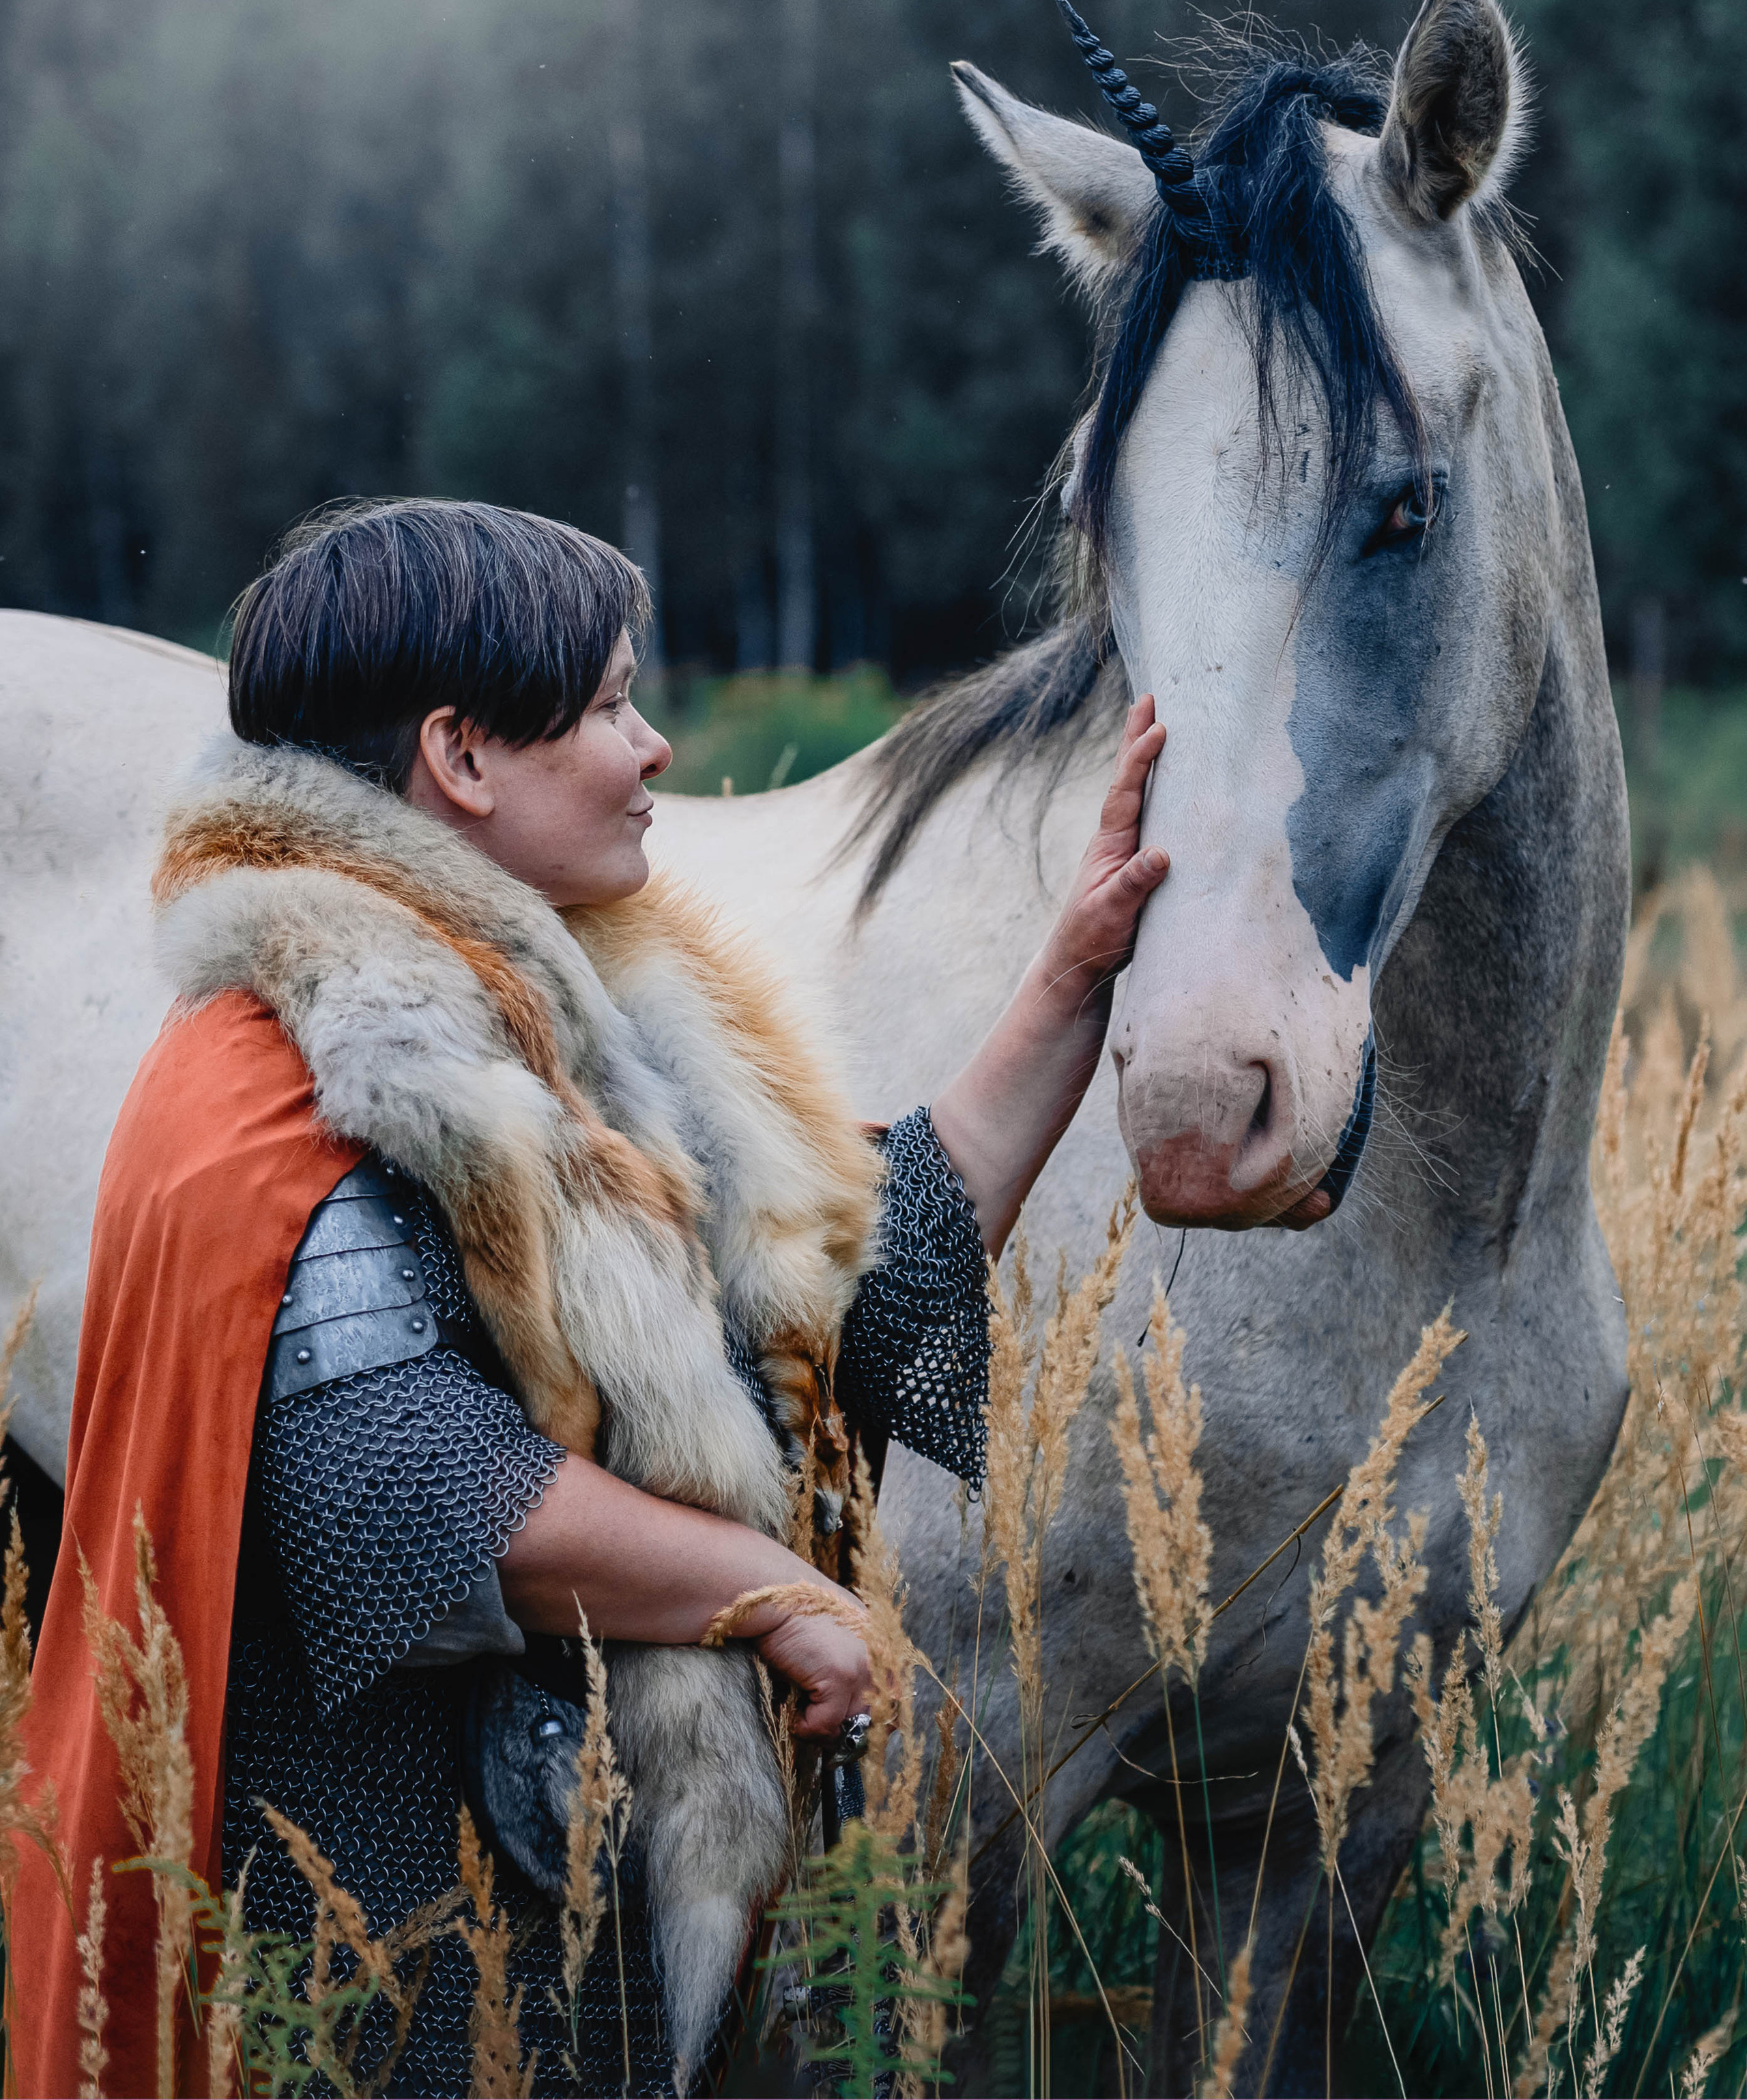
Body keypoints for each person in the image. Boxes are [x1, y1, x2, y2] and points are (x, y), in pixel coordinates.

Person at [12, 498, 1167, 2099]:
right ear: (462, 760)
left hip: (569, 1939)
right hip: (398, 1969)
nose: (657, 747)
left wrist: (1071, 974)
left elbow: (845, 1266)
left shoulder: (552, 1011)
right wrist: (774, 1589)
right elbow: (403, 1497)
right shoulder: (311, 1065)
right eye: (613, 704)